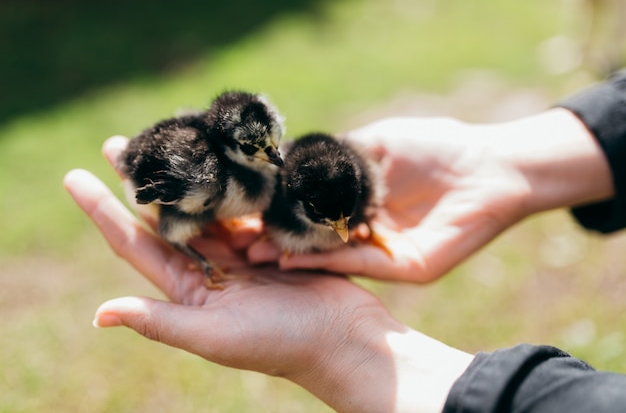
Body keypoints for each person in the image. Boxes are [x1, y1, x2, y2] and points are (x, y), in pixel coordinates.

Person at [64, 70, 626, 413]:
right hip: (195, 185)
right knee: (198, 198)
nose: (276, 163)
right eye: (261, 154)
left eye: (272, 148)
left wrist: (340, 344)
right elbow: (163, 184)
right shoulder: (215, 173)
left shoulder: (282, 180)